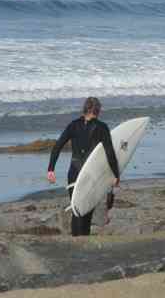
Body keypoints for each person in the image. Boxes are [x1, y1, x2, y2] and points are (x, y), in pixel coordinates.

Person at [47, 97, 120, 236]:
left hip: (74, 172)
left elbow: (57, 147)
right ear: (98, 110)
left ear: (84, 109)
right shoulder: (102, 127)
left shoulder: (73, 125)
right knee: (87, 209)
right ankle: (83, 239)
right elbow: (110, 153)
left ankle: (77, 240)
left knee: (77, 209)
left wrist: (51, 169)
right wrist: (116, 174)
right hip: (91, 173)